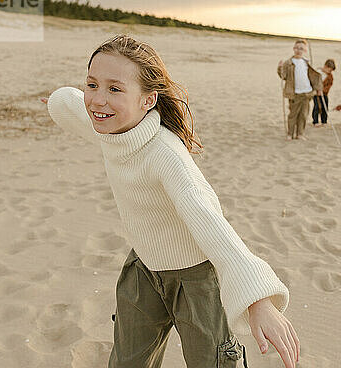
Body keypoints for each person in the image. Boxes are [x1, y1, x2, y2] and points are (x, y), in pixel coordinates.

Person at [39, 35, 299, 368]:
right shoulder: (110, 124)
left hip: (198, 279)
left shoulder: (165, 155)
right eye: (92, 84)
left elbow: (209, 219)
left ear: (148, 100)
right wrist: (55, 103)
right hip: (144, 268)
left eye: (115, 89)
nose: (98, 100)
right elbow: (71, 102)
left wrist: (258, 300)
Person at [277, 39, 323, 140]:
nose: (298, 50)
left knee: (303, 115)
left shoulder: (306, 63)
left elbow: (313, 76)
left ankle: (300, 134)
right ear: (293, 49)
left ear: (305, 50)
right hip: (295, 93)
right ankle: (290, 133)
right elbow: (283, 76)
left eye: (301, 48)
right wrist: (279, 68)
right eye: (297, 48)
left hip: (307, 93)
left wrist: (318, 88)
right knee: (293, 114)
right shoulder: (289, 63)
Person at [312, 59, 336, 126]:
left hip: (324, 94)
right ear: (325, 66)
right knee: (317, 107)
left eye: (331, 71)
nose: (330, 72)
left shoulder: (330, 76)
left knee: (325, 107)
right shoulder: (317, 72)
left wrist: (323, 90)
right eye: (329, 70)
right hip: (316, 94)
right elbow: (313, 82)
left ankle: (324, 121)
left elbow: (329, 85)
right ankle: (315, 121)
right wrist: (317, 90)